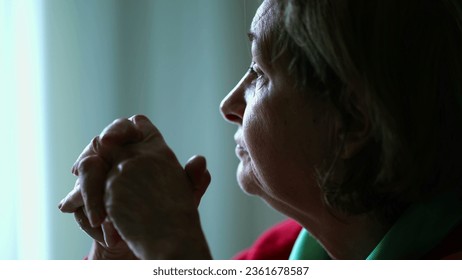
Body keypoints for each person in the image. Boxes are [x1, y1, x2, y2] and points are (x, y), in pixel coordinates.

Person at [59, 0, 462, 259]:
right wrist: (125, 253)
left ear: (352, 121)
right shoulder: (279, 255)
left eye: (259, 72)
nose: (229, 104)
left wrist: (173, 248)